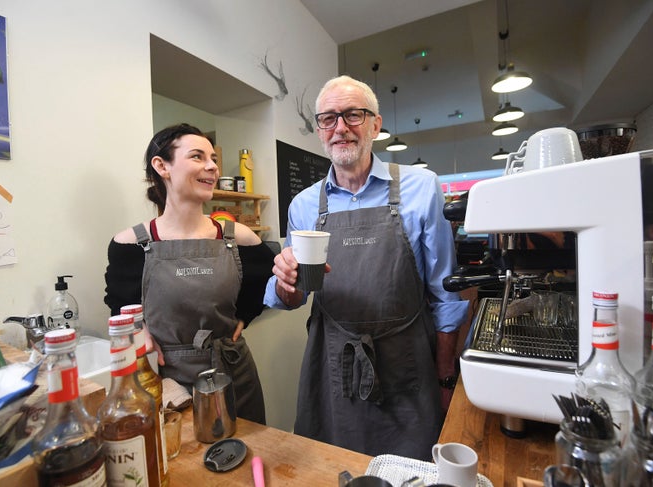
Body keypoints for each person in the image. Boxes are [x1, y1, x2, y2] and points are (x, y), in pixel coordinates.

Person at [263, 76, 468, 458]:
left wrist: (445, 376)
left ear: (376, 125)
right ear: (321, 131)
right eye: (328, 119)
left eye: (353, 115)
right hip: (331, 364)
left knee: (413, 470)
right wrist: (286, 282)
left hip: (407, 362)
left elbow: (446, 295)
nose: (340, 128)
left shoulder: (421, 187)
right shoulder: (304, 205)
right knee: (332, 467)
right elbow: (294, 298)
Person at [104, 123, 275, 424]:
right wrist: (137, 330)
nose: (211, 166)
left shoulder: (239, 237)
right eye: (197, 157)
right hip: (167, 378)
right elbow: (119, 303)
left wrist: (245, 315)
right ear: (162, 166)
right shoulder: (130, 245)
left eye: (213, 159)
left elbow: (264, 283)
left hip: (234, 374)